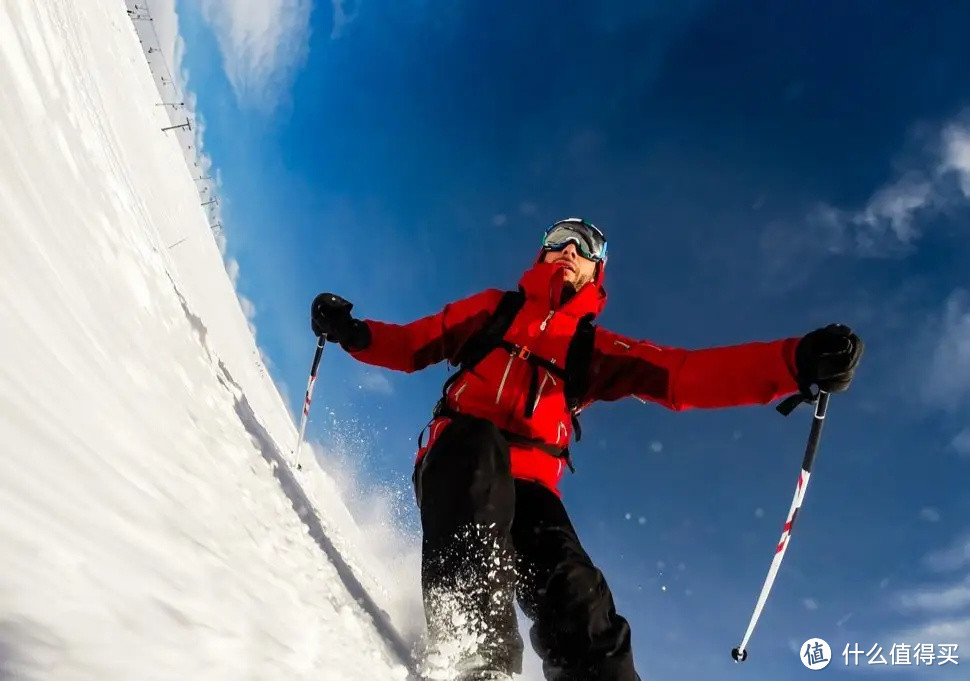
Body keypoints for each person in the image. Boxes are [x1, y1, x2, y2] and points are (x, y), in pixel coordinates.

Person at [309, 218, 863, 681]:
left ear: (598, 271)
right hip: (458, 458)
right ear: (542, 254)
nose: (569, 249)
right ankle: (475, 655)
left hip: (531, 487)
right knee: (477, 450)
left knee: (573, 584)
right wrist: (352, 331)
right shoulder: (493, 311)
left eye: (586, 246)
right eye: (558, 239)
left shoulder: (592, 349)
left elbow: (684, 374)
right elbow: (410, 345)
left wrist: (793, 363)